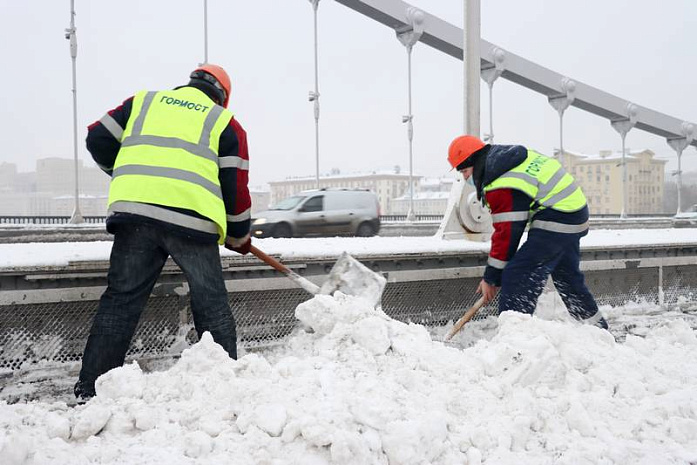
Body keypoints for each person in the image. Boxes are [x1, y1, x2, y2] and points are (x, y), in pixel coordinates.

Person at [74, 64, 252, 401]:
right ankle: (227, 387)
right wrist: (239, 232)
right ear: (223, 97)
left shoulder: (143, 102)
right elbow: (235, 187)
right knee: (211, 303)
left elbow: (97, 137)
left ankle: (90, 389)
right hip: (192, 221)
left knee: (120, 302)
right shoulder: (224, 123)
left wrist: (125, 171)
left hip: (136, 215)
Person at [447, 135, 608, 329]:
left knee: (518, 275)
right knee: (567, 277)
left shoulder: (500, 182)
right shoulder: (508, 160)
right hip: (573, 211)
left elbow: (507, 235)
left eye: (465, 171)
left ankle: (514, 340)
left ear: (475, 161)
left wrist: (492, 278)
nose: (464, 178)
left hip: (557, 216)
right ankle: (598, 330)